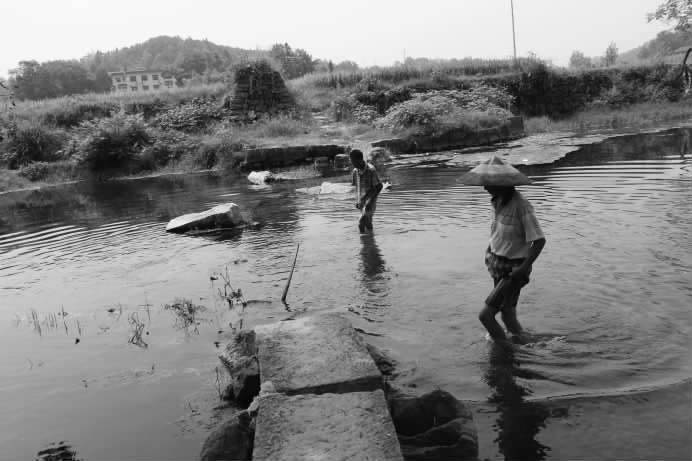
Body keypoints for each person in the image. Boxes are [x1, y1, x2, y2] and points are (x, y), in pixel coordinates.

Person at [462, 156, 546, 344]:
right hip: (498, 265)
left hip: (513, 270)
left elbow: (539, 241)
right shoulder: (497, 201)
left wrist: (524, 268)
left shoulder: (521, 206)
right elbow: (498, 234)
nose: (484, 187)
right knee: (507, 314)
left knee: (486, 316)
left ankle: (506, 353)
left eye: (488, 183)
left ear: (502, 184)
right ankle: (529, 345)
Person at [350, 149, 383, 233]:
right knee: (368, 222)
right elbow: (356, 188)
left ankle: (364, 244)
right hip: (362, 201)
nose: (351, 163)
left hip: (370, 201)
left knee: (361, 223)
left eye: (353, 160)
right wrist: (357, 201)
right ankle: (371, 239)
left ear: (359, 160)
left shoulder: (370, 170)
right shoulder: (355, 171)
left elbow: (379, 186)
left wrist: (370, 201)